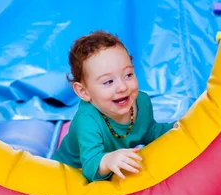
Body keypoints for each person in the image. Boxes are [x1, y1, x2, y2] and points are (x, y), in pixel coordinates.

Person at [53, 30, 176, 182]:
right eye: (108, 82)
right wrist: (108, 160)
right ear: (84, 92)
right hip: (72, 172)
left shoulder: (141, 102)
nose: (122, 87)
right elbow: (90, 166)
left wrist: (176, 128)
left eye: (128, 75)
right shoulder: (87, 121)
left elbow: (149, 131)